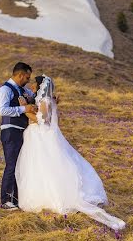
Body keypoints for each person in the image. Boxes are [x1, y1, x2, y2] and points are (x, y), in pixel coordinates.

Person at [15, 75, 126, 231]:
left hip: (41, 137)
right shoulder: (47, 99)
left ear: (40, 87)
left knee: (43, 166)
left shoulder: (44, 101)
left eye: (35, 85)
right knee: (43, 167)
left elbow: (43, 121)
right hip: (40, 136)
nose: (33, 86)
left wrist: (25, 109)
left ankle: (49, 197)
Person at [0, 62, 36, 210]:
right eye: (27, 77)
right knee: (12, 165)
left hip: (21, 131)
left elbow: (36, 99)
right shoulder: (5, 90)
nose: (28, 80)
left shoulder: (23, 90)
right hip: (10, 131)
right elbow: (3, 110)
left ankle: (16, 199)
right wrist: (23, 108)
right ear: (19, 75)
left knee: (20, 166)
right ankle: (6, 200)